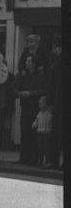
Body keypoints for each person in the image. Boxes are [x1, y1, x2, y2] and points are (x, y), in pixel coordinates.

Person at [13, 55, 47, 165]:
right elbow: (14, 86)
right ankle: (24, 157)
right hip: (25, 106)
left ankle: (33, 158)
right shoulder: (23, 75)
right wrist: (19, 93)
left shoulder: (40, 76)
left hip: (35, 106)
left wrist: (30, 94)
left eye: (29, 61)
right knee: (24, 132)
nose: (26, 63)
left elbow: (42, 90)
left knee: (33, 133)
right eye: (26, 61)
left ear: (34, 63)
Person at [46, 37, 62, 169]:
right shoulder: (55, 61)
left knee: (56, 132)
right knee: (57, 132)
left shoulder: (57, 62)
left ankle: (54, 161)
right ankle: (55, 161)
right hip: (58, 101)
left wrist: (50, 101)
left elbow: (52, 83)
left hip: (59, 102)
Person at [32, 96, 53, 167]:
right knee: (40, 148)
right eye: (39, 104)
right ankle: (40, 161)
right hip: (40, 132)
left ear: (46, 104)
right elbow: (37, 120)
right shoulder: (39, 113)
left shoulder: (48, 113)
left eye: (42, 104)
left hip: (46, 133)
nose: (40, 106)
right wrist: (34, 124)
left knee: (46, 148)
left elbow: (50, 119)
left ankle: (47, 161)